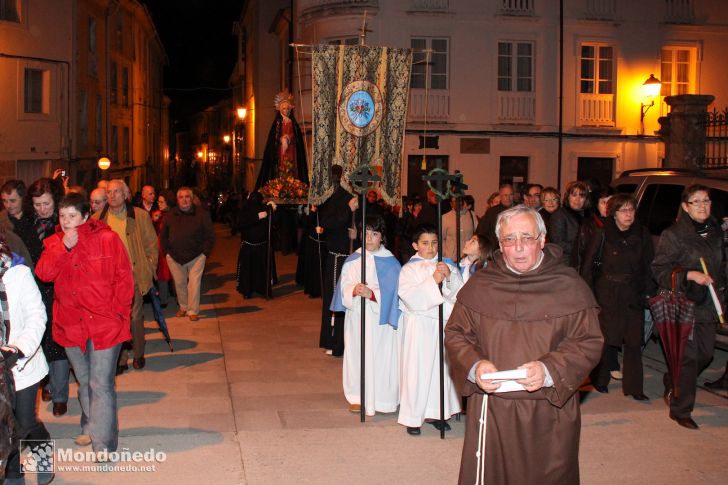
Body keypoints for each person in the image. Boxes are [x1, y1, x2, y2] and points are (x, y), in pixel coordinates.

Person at [444, 205, 603, 484]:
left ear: (542, 240)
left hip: (548, 409)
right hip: (492, 409)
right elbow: (456, 333)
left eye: (527, 238)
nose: (518, 247)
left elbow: (588, 341)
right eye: (509, 239)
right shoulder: (482, 284)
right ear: (500, 244)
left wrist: (549, 368)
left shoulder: (568, 285)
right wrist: (475, 365)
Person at [35, 193, 134, 455]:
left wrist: (120, 315)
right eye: (62, 217)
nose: (66, 222)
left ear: (86, 216)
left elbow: (124, 278)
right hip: (71, 325)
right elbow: (44, 273)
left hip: (104, 324)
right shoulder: (54, 243)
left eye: (72, 217)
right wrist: (63, 247)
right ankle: (90, 425)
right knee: (85, 379)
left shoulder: (107, 239)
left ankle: (104, 444)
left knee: (100, 383)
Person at [652, 185, 725, 430]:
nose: (703, 205)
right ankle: (680, 409)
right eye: (696, 201)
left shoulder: (715, 232)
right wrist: (689, 274)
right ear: (685, 206)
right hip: (685, 303)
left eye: (706, 200)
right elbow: (659, 269)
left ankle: (673, 379)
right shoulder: (674, 234)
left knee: (705, 354)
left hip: (710, 303)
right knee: (688, 357)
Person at [580, 194, 655, 400]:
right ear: (613, 214)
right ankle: (600, 380)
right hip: (607, 292)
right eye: (624, 210)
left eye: (631, 210)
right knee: (607, 338)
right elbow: (588, 266)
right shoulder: (603, 234)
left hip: (632, 292)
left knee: (633, 340)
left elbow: (649, 265)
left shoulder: (642, 234)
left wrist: (648, 291)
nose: (629, 214)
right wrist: (589, 297)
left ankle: (634, 387)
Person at [331, 215, 401, 415]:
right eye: (366, 233)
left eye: (375, 234)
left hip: (380, 321)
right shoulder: (354, 260)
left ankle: (383, 398)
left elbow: (395, 293)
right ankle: (357, 396)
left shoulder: (392, 263)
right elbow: (344, 285)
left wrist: (372, 294)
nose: (369, 238)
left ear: (382, 237)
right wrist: (354, 289)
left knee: (381, 356)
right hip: (357, 317)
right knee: (357, 354)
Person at [398, 224, 463, 436]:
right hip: (419, 326)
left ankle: (438, 412)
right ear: (415, 245)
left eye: (434, 243)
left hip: (441, 324)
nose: (431, 247)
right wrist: (433, 280)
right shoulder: (408, 269)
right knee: (417, 370)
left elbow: (460, 294)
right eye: (425, 243)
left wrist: (450, 278)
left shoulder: (446, 266)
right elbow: (409, 297)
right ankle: (413, 417)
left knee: (440, 370)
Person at [1, 237, 54, 485]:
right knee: (4, 428)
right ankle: (14, 474)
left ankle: (43, 451)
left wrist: (19, 350)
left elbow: (37, 316)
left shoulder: (18, 274)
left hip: (21, 364)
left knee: (24, 423)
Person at [93, 179, 157, 374]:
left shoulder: (139, 216)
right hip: (109, 279)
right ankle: (120, 358)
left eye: (116, 192)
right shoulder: (97, 219)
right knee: (116, 319)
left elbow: (152, 245)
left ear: (126, 194)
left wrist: (149, 267)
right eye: (109, 193)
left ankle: (138, 353)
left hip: (134, 274)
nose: (112, 196)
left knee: (135, 316)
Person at [28, 177, 70, 416]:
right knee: (40, 341)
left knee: (59, 343)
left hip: (59, 289)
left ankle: (60, 396)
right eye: (37, 205)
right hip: (35, 290)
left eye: (46, 203)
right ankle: (48, 384)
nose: (42, 209)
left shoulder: (63, 223)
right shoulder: (26, 225)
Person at [317, 165, 358, 357]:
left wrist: (357, 234)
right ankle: (333, 340)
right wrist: (347, 211)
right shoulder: (336, 198)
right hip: (336, 257)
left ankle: (348, 340)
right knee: (336, 299)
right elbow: (328, 222)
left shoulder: (357, 196)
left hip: (352, 257)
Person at [161, 187, 215, 321]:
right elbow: (164, 236)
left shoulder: (202, 214)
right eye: (181, 197)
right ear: (177, 199)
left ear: (191, 199)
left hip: (196, 255)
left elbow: (210, 235)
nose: (184, 200)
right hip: (174, 256)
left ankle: (193, 310)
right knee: (179, 283)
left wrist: (205, 253)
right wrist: (167, 252)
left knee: (194, 283)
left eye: (187, 197)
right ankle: (184, 307)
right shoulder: (170, 215)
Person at [255, 91, 308, 189]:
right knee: (282, 165)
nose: (286, 110)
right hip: (280, 150)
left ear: (290, 109)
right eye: (284, 108)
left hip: (291, 149)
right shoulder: (277, 123)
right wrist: (281, 139)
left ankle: (292, 185)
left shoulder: (293, 123)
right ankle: (280, 184)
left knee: (292, 166)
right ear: (280, 109)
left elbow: (295, 136)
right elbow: (273, 138)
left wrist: (288, 138)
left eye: (287, 108)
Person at [235, 192, 277, 298]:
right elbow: (240, 223)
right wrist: (257, 217)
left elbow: (273, 223)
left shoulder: (264, 208)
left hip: (262, 246)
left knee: (261, 270)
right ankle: (246, 290)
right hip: (248, 246)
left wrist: (273, 209)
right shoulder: (245, 210)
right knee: (247, 270)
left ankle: (263, 289)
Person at [547, 181, 590, 266]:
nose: (577, 199)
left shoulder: (588, 215)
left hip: (584, 261)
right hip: (566, 262)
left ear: (586, 199)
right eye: (574, 195)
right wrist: (583, 250)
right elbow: (558, 243)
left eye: (581, 196)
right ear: (568, 197)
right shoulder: (559, 215)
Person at [475, 183, 514, 248]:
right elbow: (481, 232)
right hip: (496, 250)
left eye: (511, 195)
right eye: (506, 195)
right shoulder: (492, 212)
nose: (508, 198)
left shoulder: (518, 210)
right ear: (501, 196)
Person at [442, 195, 476, 261]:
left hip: (467, 256)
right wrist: (444, 253)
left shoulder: (471, 215)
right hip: (450, 257)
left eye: (460, 200)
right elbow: (441, 238)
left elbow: (477, 234)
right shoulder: (445, 218)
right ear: (451, 204)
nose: (458, 203)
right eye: (455, 201)